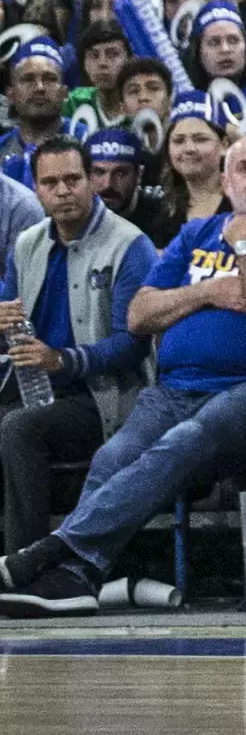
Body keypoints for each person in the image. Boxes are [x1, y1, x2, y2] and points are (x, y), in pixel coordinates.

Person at [0, 136, 246, 615]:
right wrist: (211, 292)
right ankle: (77, 577)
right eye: (245, 168)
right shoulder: (194, 236)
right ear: (224, 180)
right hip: (177, 386)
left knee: (187, 439)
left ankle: (52, 553)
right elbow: (139, 315)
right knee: (116, 453)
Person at [0, 140, 153, 558]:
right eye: (51, 182)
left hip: (103, 397)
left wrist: (63, 360)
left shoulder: (129, 244)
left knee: (18, 429)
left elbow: (133, 344)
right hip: (36, 388)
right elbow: (9, 322)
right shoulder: (26, 244)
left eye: (72, 179)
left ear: (90, 182)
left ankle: (25, 565)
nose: (63, 190)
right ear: (36, 189)